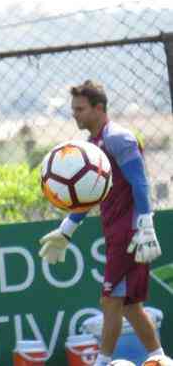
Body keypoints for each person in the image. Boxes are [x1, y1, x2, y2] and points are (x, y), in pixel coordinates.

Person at [38, 80, 165, 366]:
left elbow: (140, 183)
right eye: (73, 109)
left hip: (129, 234)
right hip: (116, 232)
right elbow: (90, 196)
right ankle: (158, 357)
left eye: (80, 109)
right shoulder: (92, 147)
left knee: (110, 301)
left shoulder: (119, 138)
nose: (75, 114)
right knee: (131, 306)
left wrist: (145, 225)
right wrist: (66, 230)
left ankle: (102, 362)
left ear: (99, 108)